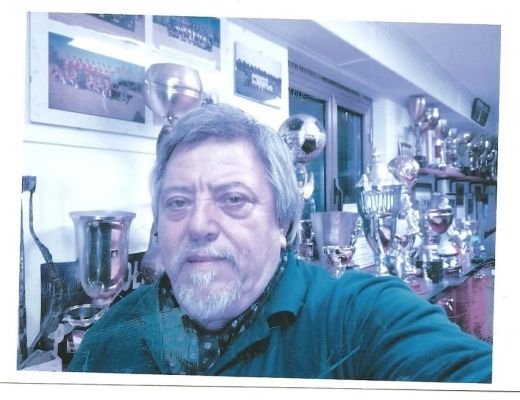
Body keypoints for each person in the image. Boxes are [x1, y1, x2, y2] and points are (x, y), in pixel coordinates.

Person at [67, 103, 492, 382]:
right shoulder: (109, 337)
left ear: (282, 220)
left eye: (234, 199)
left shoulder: (359, 318)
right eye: (177, 202)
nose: (198, 224)